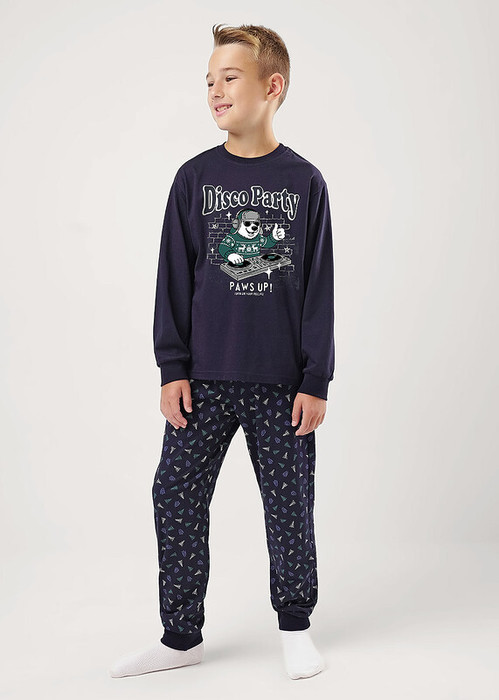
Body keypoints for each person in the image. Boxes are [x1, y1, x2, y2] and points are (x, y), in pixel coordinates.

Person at [110, 22, 335, 681]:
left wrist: (315, 378)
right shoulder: (194, 179)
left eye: (229, 77)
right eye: (209, 80)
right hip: (203, 379)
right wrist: (171, 367)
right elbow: (173, 278)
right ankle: (181, 635)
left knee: (288, 506)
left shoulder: (304, 182)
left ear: (272, 86)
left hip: (281, 382)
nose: (214, 90)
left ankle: (295, 627)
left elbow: (319, 286)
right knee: (174, 493)